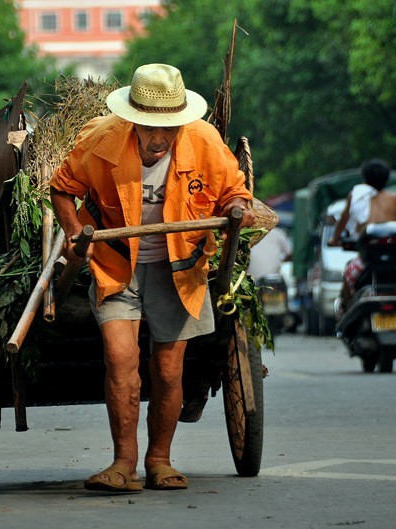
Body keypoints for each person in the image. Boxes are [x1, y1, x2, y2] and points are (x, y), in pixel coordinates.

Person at [50, 63, 254, 492]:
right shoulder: (100, 140)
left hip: (179, 268)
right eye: (149, 128)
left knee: (167, 368)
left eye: (169, 129)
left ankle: (159, 459)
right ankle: (123, 463)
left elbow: (234, 190)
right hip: (116, 265)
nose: (159, 139)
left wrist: (237, 208)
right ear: (133, 120)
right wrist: (73, 232)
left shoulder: (205, 142)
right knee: (121, 359)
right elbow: (62, 186)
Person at [327, 159, 396, 312]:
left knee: (348, 275)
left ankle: (348, 309)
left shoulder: (356, 195)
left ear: (364, 178)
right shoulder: (395, 198)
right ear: (386, 179)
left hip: (368, 262)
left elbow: (342, 222)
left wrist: (334, 240)